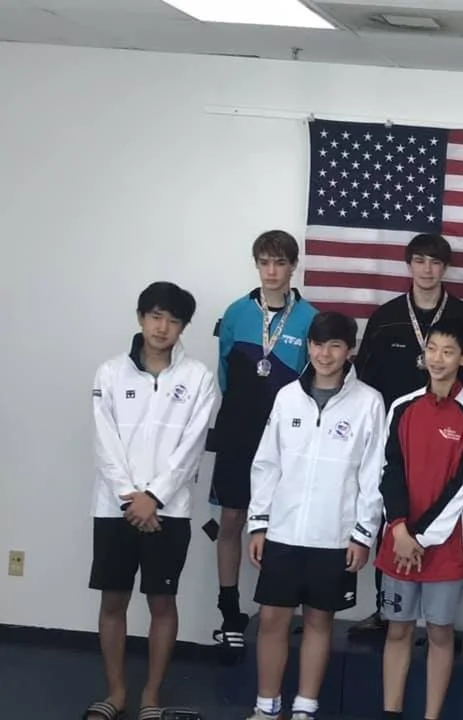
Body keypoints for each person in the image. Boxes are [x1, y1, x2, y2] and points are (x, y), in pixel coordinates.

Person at [85, 282, 217, 720]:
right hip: (115, 508)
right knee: (113, 601)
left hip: (169, 510)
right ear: (141, 318)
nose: (163, 328)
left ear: (183, 327)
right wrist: (132, 499)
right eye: (156, 316)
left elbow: (191, 446)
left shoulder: (198, 377)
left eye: (174, 320)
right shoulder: (109, 373)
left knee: (162, 603)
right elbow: (106, 443)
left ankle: (151, 697)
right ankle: (117, 692)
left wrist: (154, 497)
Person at [244, 311, 385, 720]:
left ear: (350, 351)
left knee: (319, 622)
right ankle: (266, 707)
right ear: (308, 346)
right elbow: (267, 464)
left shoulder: (368, 403)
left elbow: (373, 474)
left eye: (336, 346)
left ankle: (305, 708)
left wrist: (362, 534)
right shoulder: (287, 396)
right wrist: (259, 523)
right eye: (319, 344)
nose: (326, 354)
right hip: (283, 533)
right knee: (272, 620)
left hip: (334, 536)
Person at [351, 232, 463, 636]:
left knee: (443, 513)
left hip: (449, 435)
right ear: (408, 265)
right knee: (391, 515)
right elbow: (366, 383)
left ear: (445, 268)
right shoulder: (386, 317)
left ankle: (440, 623)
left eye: (435, 263)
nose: (427, 270)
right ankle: (385, 609)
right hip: (398, 433)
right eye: (420, 261)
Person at [209, 230, 318, 662]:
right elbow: (224, 371)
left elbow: (313, 380)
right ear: (256, 265)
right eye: (264, 263)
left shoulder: (309, 317)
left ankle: (272, 611)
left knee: (280, 522)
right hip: (238, 430)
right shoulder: (236, 312)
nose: (272, 272)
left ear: (294, 267)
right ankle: (229, 613)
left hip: (284, 435)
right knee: (233, 518)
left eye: (280, 263)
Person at [375, 318, 463, 720]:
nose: (438, 359)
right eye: (432, 349)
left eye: (447, 351)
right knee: (398, 628)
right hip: (399, 539)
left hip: (443, 546)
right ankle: (391, 711)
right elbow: (388, 471)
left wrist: (420, 538)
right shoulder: (401, 407)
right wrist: (399, 530)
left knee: (440, 632)